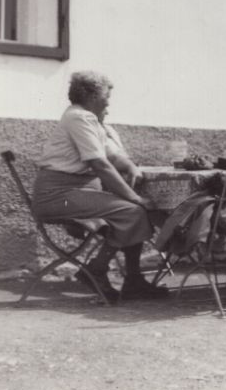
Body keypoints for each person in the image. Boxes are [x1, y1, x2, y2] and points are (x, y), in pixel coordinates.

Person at [31, 72, 168, 303]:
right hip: (56, 195)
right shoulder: (79, 118)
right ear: (91, 95)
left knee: (132, 214)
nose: (108, 101)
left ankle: (132, 280)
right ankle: (96, 269)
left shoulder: (89, 119)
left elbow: (111, 154)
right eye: (106, 95)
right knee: (133, 211)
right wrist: (135, 197)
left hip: (76, 192)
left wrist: (131, 167)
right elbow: (99, 163)